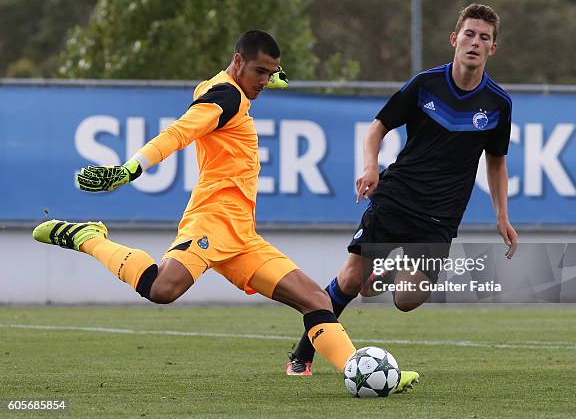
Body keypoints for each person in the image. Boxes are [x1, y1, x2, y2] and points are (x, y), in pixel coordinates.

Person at [32, 29, 417, 392]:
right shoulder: (226, 97)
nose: (265, 80)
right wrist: (131, 168)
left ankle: (363, 373)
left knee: (315, 299)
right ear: (238, 61)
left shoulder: (231, 90)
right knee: (163, 288)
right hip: (212, 221)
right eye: (259, 71)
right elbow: (177, 132)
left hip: (242, 236)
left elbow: (234, 86)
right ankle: (89, 238)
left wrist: (264, 76)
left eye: (271, 73)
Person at [287, 3, 518, 376]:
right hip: (397, 197)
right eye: (469, 34)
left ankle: (384, 271)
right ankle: (302, 353)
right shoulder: (425, 85)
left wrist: (502, 216)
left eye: (484, 37)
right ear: (454, 39)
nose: (475, 42)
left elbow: (496, 160)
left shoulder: (498, 104)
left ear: (493, 49)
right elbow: (378, 126)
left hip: (441, 215)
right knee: (350, 280)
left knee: (408, 298)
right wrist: (369, 168)